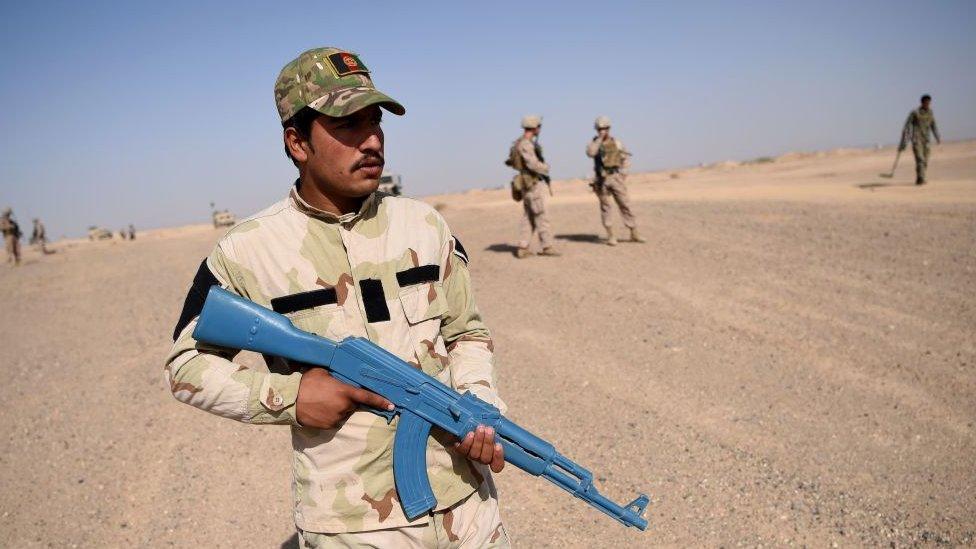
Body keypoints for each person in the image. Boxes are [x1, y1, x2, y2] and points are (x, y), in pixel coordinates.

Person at [165, 47, 509, 548]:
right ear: (297, 142)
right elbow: (184, 365)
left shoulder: (424, 225)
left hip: (467, 507)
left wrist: (478, 403)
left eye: (375, 121)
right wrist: (291, 397)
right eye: (348, 124)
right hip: (352, 524)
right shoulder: (246, 251)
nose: (372, 141)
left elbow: (466, 331)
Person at [586, 116, 645, 245]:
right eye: (600, 128)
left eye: (605, 128)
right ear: (596, 129)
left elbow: (625, 159)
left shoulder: (617, 143)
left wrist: (623, 174)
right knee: (606, 208)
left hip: (616, 178)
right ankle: (610, 236)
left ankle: (634, 233)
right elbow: (590, 153)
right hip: (602, 180)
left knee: (625, 205)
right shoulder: (594, 144)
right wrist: (599, 140)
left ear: (609, 128)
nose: (603, 130)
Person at [507, 115, 559, 258]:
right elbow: (532, 164)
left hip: (527, 183)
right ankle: (547, 246)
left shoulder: (520, 143)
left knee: (529, 216)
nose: (539, 129)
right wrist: (546, 167)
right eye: (539, 126)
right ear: (535, 127)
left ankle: (523, 247)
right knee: (541, 215)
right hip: (531, 183)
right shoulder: (526, 144)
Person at [899, 94, 941, 185]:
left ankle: (919, 178)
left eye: (929, 102)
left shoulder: (930, 113)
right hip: (916, 139)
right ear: (922, 102)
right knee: (920, 159)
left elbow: (933, 125)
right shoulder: (915, 113)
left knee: (925, 160)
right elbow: (907, 127)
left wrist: (937, 136)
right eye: (926, 102)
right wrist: (904, 142)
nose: (927, 104)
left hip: (926, 140)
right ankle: (921, 179)